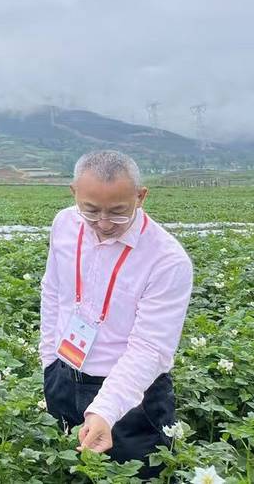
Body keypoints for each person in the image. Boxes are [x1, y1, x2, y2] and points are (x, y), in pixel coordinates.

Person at [40, 150, 193, 477]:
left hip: (133, 400)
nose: (105, 223)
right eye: (91, 210)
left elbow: (150, 349)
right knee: (71, 473)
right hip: (64, 378)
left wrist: (105, 411)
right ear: (74, 193)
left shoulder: (167, 260)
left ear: (140, 197)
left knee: (135, 476)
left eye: (119, 212)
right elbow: (53, 291)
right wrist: (50, 361)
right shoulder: (64, 224)